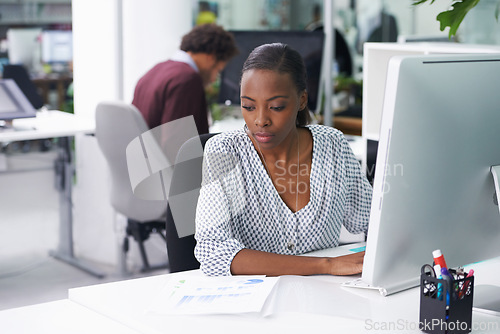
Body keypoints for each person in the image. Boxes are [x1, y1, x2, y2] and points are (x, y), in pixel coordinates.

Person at [194, 43, 372, 277]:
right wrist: (326, 265)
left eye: (276, 107)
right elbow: (213, 252)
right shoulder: (224, 151)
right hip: (255, 303)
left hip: (324, 298)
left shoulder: (332, 145)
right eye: (248, 106)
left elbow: (372, 221)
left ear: (301, 101)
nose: (260, 120)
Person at [132, 24, 238, 134]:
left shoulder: (155, 70)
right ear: (210, 57)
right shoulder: (187, 79)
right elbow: (178, 142)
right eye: (217, 70)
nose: (213, 79)